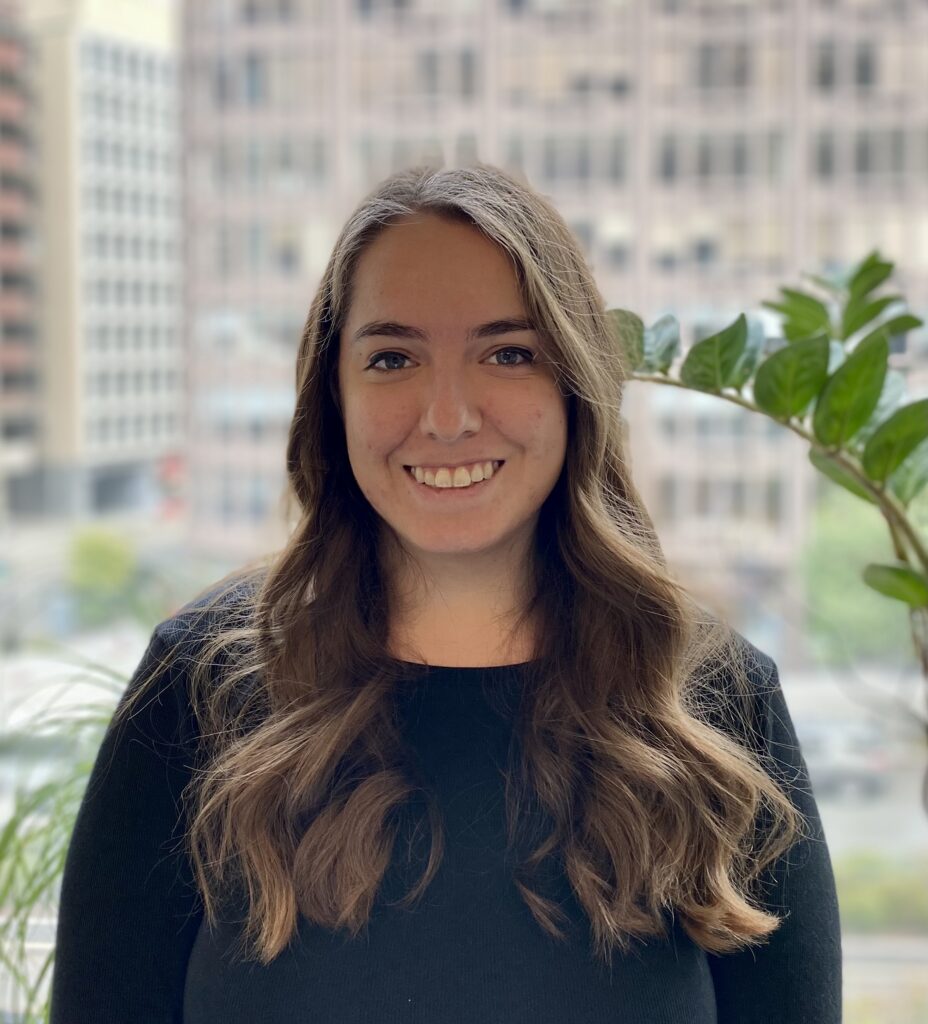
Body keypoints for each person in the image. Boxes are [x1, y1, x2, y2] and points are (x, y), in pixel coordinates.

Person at [49, 162, 842, 1023]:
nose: (449, 415)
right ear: (334, 397)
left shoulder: (716, 702)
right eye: (392, 357)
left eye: (508, 353)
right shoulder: (198, 687)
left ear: (574, 386)